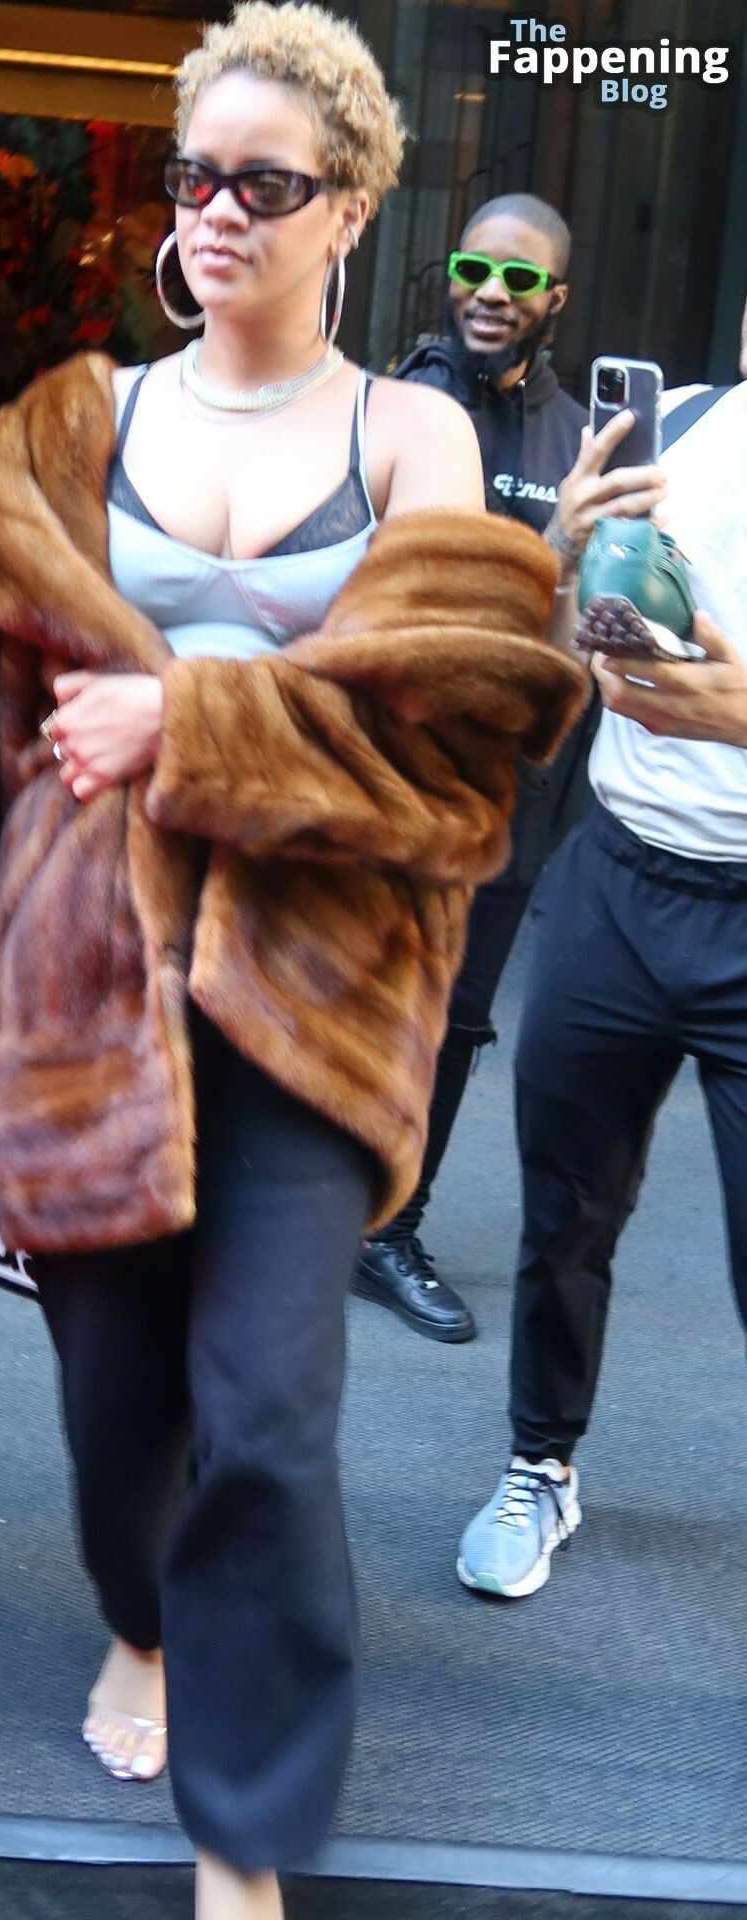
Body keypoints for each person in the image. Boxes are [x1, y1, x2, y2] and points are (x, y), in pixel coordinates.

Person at [0, 7, 584, 1915]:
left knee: (271, 1421)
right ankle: (137, 1620)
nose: (215, 211)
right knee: (114, 1409)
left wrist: (186, 722)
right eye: (191, 175)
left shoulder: (409, 434)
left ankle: (246, 1828)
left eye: (264, 184)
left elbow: (449, 754)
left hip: (314, 997)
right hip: (86, 990)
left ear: (349, 209)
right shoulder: (78, 424)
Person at [457, 341, 747, 1601]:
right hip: (619, 878)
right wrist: (561, 553)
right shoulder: (673, 427)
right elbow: (549, 662)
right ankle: (540, 1462)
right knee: (566, 1209)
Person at [354, 193, 596, 1343]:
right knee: (347, 982)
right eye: (474, 268)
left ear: (556, 299)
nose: (492, 293)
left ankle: (387, 1229)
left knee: (456, 1018)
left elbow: (572, 634)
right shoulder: (393, 408)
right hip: (394, 765)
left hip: (511, 790)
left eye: (521, 279)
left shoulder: (581, 442)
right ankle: (298, 1204)